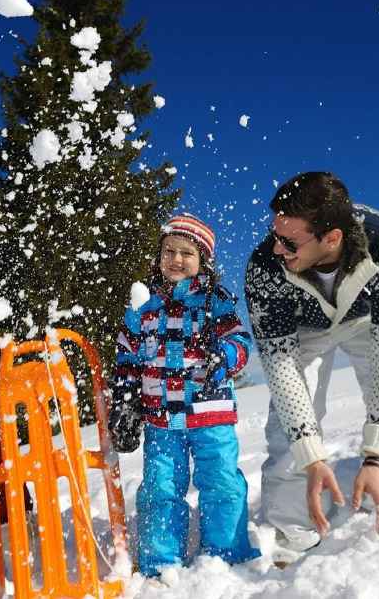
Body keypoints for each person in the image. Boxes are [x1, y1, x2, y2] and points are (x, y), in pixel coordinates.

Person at [245, 171, 379, 556]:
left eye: (288, 240)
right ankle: (292, 521)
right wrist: (311, 456)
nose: (276, 248)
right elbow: (282, 368)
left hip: (366, 323)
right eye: (274, 234)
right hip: (303, 331)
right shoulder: (264, 267)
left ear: (332, 238)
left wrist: (376, 457)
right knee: (291, 411)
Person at [108, 214, 260, 577]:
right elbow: (126, 356)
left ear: (202, 259)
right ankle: (161, 561)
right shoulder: (141, 306)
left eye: (186, 253)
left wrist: (222, 356)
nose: (176, 259)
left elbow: (240, 342)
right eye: (169, 251)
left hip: (210, 413)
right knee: (160, 488)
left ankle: (226, 553)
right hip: (161, 417)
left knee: (221, 480)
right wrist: (126, 399)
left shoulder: (216, 301)